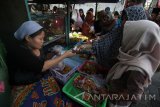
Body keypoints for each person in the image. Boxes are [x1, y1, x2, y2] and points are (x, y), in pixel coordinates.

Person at [7, 21, 77, 107]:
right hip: (24, 84)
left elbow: (41, 60)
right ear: (28, 38)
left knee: (56, 98)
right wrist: (64, 55)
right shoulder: (19, 52)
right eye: (40, 39)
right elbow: (41, 66)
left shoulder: (35, 46)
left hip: (38, 78)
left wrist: (53, 54)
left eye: (43, 38)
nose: (42, 41)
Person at [106, 20, 160, 107]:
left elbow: (133, 96)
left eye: (128, 35)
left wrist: (107, 95)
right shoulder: (134, 56)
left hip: (117, 104)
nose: (124, 38)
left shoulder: (137, 69)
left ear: (137, 40)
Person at [78, 3, 147, 69]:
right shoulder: (119, 31)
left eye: (126, 19)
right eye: (123, 19)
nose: (122, 22)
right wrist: (83, 47)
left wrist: (85, 47)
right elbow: (102, 44)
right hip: (111, 69)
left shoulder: (139, 52)